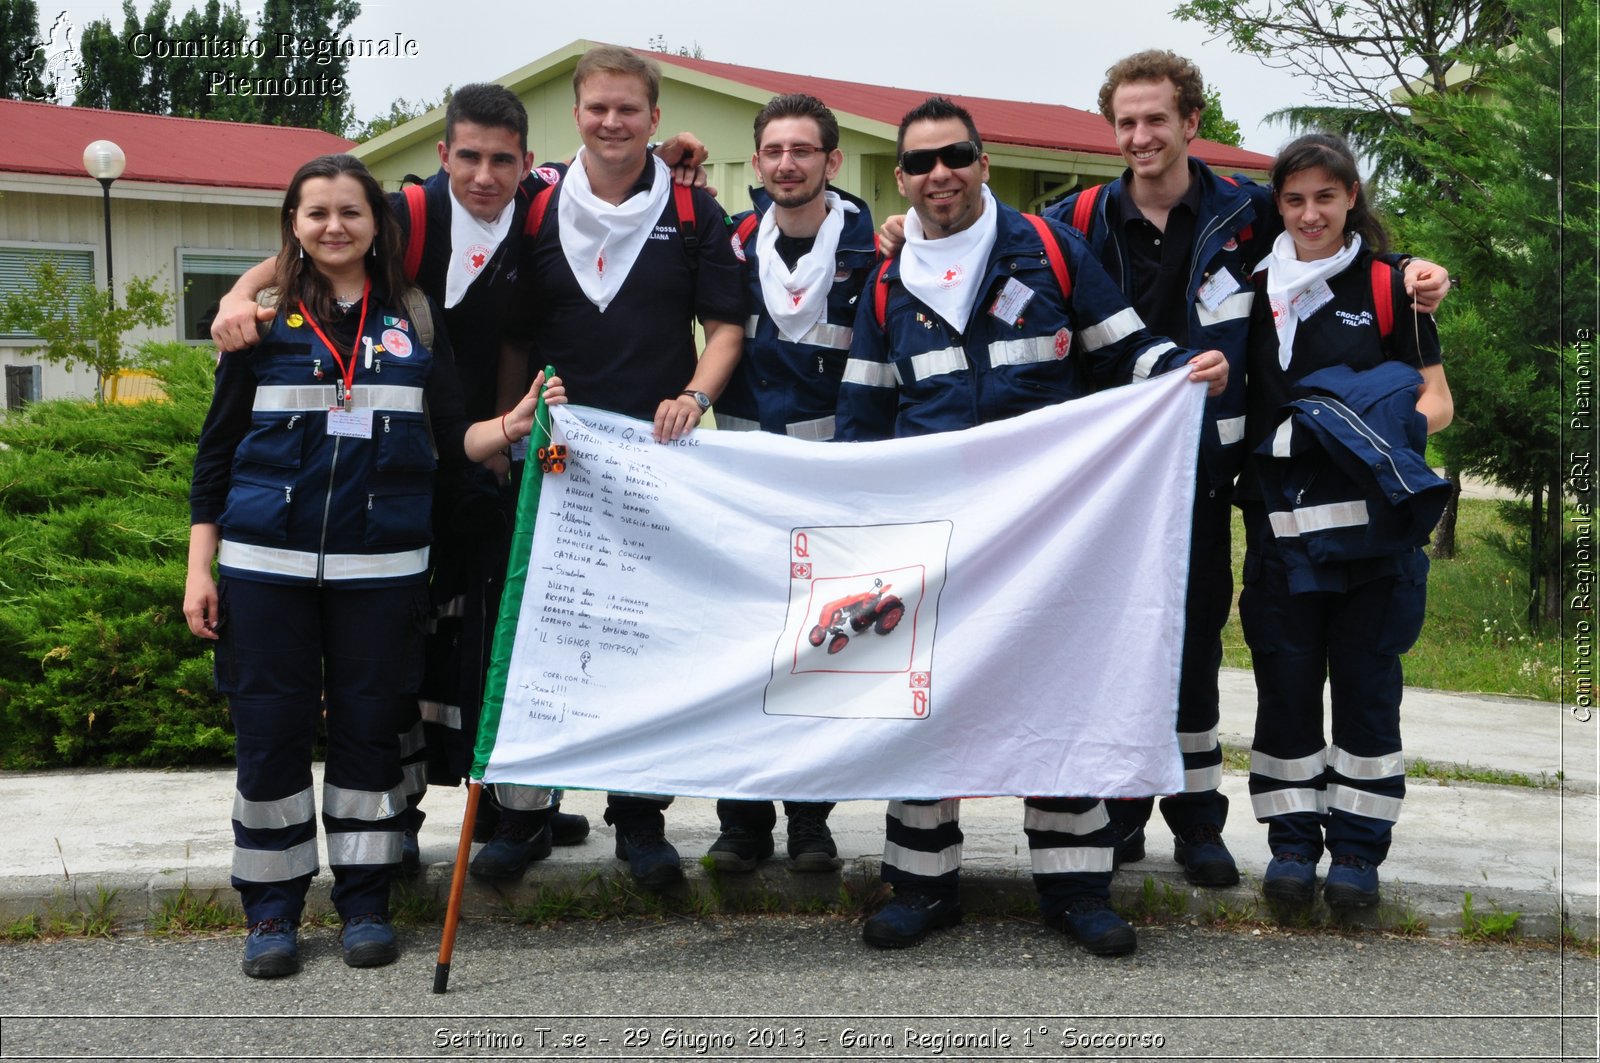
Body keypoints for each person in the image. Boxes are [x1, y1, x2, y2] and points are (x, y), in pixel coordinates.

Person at [207, 86, 710, 882]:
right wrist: (238, 296)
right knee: (412, 649)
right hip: (400, 461)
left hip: (493, 448)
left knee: (496, 639)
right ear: (443, 157)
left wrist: (672, 153)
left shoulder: (544, 204)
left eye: (501, 159)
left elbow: (615, 187)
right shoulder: (407, 213)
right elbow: (308, 251)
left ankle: (525, 809)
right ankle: (396, 818)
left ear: (526, 161)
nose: (484, 174)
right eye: (468, 156)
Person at [1038, 51, 1452, 888]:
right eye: (1127, 121)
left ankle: (1197, 823)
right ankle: (1116, 814)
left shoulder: (1247, 213)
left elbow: (1331, 235)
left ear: (1192, 122)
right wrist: (896, 227)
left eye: (1158, 118)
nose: (1142, 135)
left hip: (1207, 471)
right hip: (1107, 479)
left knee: (1192, 643)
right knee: (1108, 644)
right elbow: (998, 238)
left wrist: (1415, 273)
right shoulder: (1073, 219)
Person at [836, 97, 1227, 957]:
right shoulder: (884, 281)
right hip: (934, 535)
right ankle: (920, 882)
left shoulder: (1049, 250)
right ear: (901, 179)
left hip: (1050, 530)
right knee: (928, 700)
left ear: (981, 162)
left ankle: (1076, 886)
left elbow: (1127, 348)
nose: (940, 173)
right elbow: (863, 414)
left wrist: (1179, 367)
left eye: (956, 156)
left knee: (1059, 692)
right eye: (921, 162)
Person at [182, 153, 560, 979]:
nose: (333, 226)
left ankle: (364, 901)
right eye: (315, 212)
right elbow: (213, 461)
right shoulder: (258, 324)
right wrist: (198, 569)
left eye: (349, 211)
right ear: (293, 224)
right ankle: (273, 911)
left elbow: (452, 442)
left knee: (371, 741)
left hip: (382, 575)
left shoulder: (415, 318)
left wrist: (514, 423)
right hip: (262, 571)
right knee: (270, 743)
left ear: (376, 225)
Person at [497, 45, 746, 890]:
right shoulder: (534, 207)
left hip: (654, 458)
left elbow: (727, 327)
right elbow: (512, 338)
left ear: (652, 116)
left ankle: (641, 821)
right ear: (576, 114)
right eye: (597, 108)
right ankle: (523, 814)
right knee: (545, 632)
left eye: (628, 110)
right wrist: (507, 435)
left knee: (644, 637)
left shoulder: (693, 209)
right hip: (556, 457)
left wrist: (696, 395)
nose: (612, 122)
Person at [1236, 133, 1451, 912]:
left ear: (1352, 196)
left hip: (1376, 539)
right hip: (1280, 538)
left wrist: (1362, 437)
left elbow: (1437, 399)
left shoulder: (1395, 287)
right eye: (1294, 200)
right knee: (1285, 690)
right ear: (1278, 205)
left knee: (1367, 693)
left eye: (1326, 196)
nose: (1310, 213)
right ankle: (1292, 845)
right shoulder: (1253, 288)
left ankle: (1358, 855)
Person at [705, 93, 879, 874]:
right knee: (742, 651)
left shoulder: (878, 248)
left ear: (831, 161)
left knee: (822, 651)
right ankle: (740, 821)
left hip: (834, 486)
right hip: (742, 486)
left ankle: (811, 818)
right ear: (759, 159)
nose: (786, 163)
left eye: (802, 150)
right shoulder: (731, 243)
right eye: (772, 150)